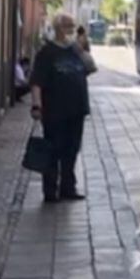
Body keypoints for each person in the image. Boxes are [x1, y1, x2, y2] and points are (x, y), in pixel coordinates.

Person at [30, 14, 97, 203]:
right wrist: (37, 105)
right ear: (58, 28)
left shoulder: (75, 50)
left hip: (77, 109)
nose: (71, 29)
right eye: (68, 26)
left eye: (73, 26)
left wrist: (79, 48)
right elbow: (36, 82)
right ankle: (50, 190)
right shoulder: (46, 53)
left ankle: (68, 187)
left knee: (72, 150)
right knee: (53, 150)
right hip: (54, 112)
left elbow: (92, 68)